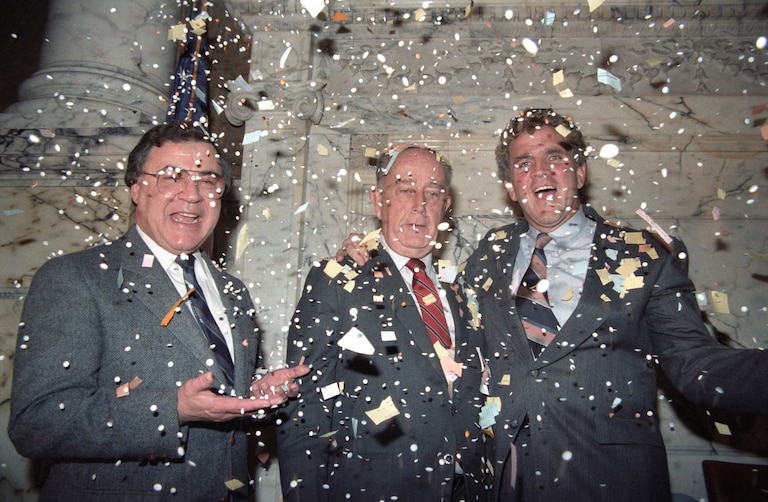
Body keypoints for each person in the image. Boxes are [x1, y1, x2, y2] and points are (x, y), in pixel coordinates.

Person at [339, 108, 768, 501]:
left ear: (579, 172)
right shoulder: (489, 254)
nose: (540, 171)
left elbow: (698, 368)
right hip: (504, 481)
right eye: (524, 163)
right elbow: (434, 316)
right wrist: (368, 259)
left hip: (612, 480)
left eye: (555, 158)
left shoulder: (641, 255)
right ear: (511, 187)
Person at [8, 121, 309, 501]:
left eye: (207, 180)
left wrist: (256, 393)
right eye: (171, 176)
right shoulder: (76, 277)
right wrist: (171, 409)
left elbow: (220, 400)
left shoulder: (234, 291)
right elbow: (36, 423)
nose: (192, 194)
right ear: (136, 188)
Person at [277, 144, 489, 501]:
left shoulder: (465, 293)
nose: (420, 204)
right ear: (378, 201)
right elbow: (305, 409)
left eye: (433, 193)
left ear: (446, 206)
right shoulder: (338, 281)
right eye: (405, 190)